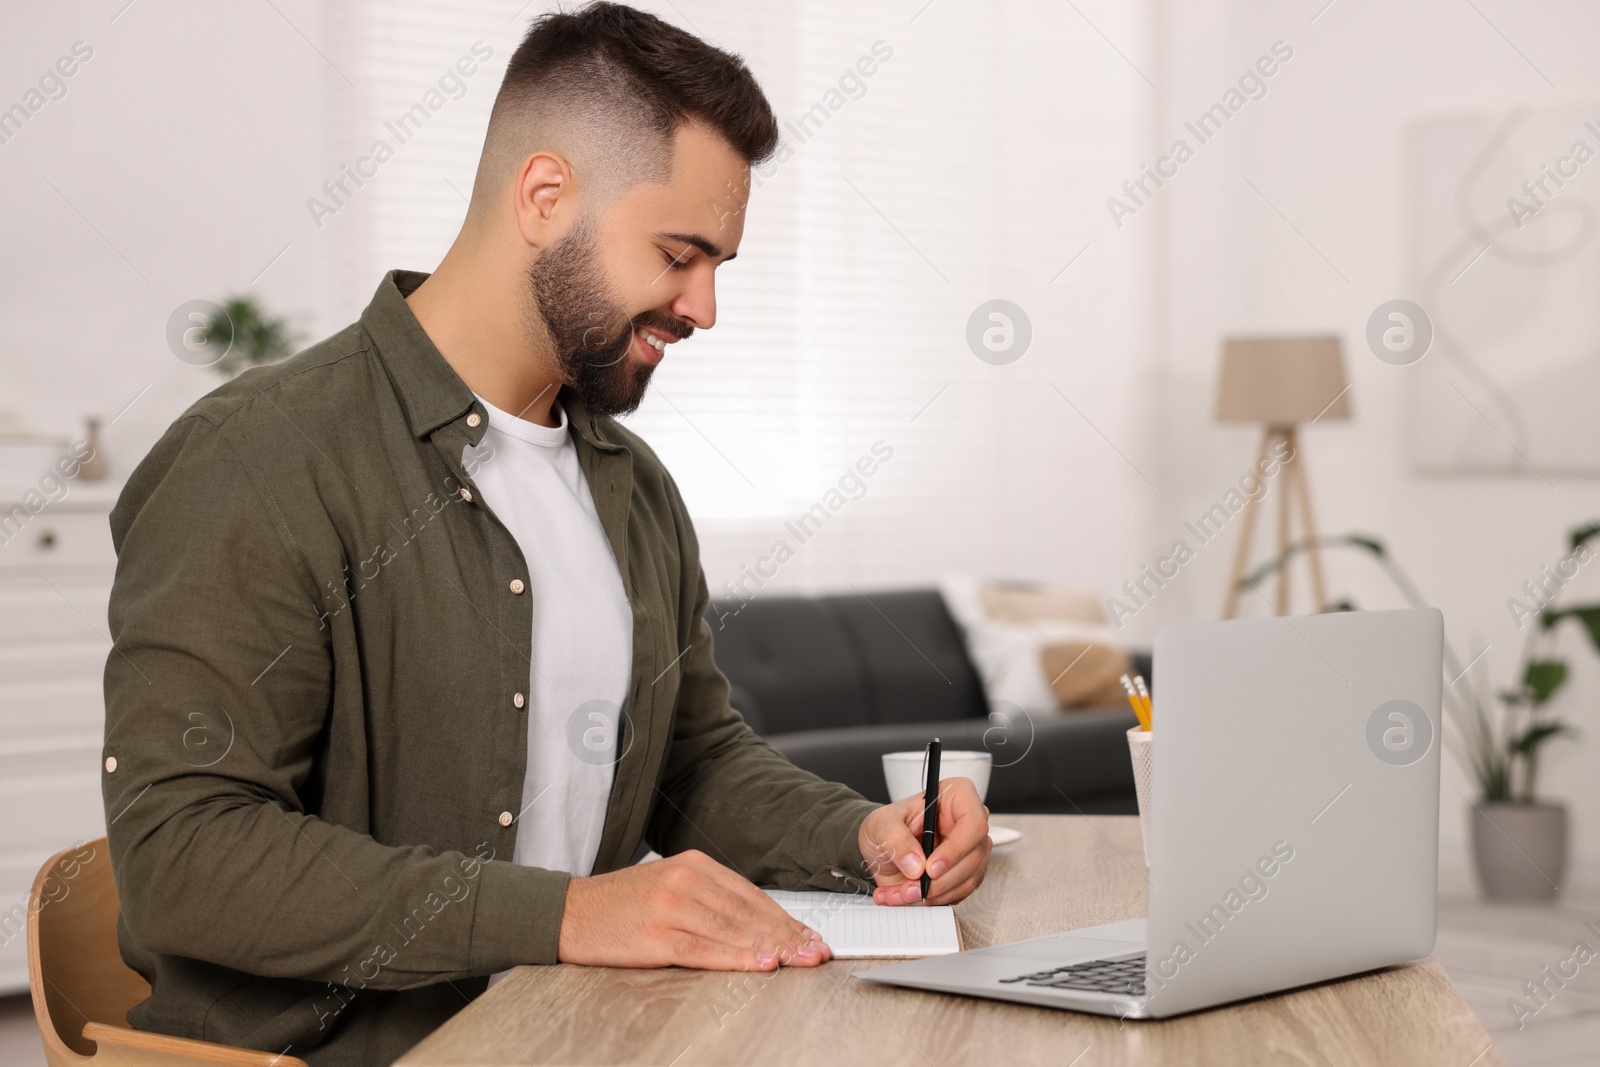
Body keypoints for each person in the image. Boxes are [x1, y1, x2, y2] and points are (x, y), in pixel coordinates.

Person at [101, 4, 991, 1065]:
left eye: (721, 266)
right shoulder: (257, 459)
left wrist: (861, 832)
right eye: (678, 254)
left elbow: (691, 762)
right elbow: (185, 852)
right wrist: (570, 913)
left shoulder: (631, 484)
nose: (704, 307)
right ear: (544, 196)